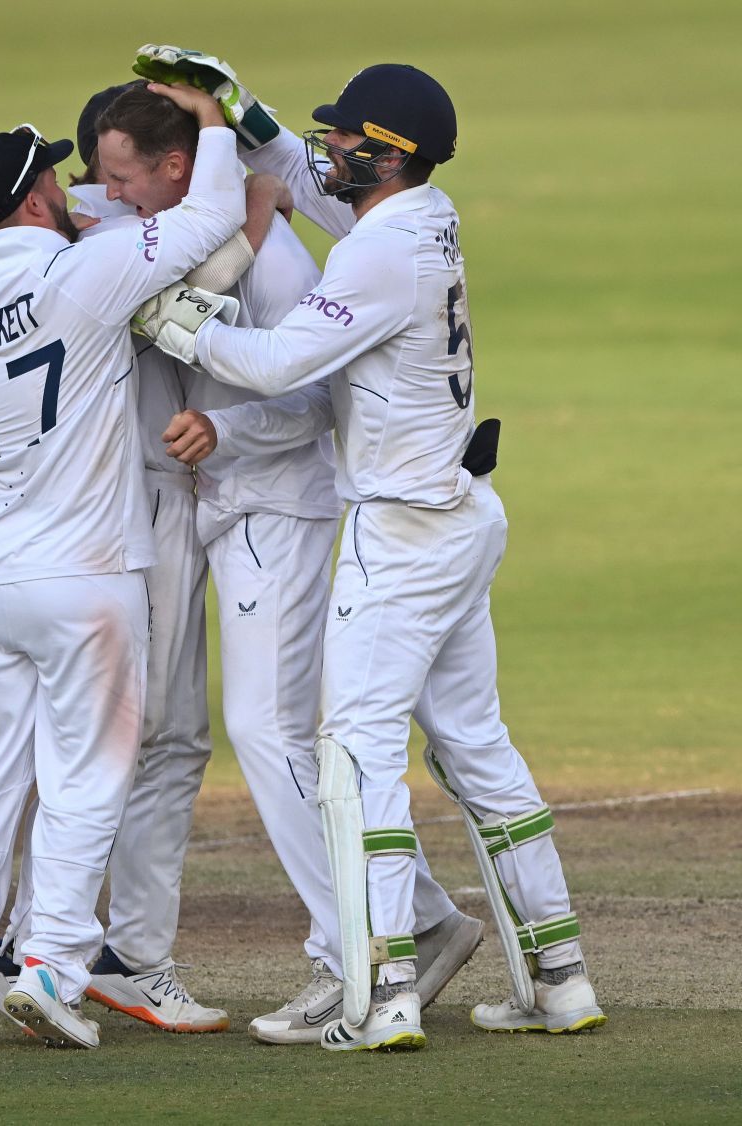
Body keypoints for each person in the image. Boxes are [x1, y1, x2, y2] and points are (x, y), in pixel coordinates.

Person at [132, 46, 606, 1051]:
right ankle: (559, 978)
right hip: (463, 518)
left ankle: (384, 989)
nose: (329, 144)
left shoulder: (381, 252)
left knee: (355, 754)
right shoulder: (417, 216)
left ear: (386, 157)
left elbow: (274, 363)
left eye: (347, 135)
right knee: (475, 748)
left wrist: (174, 321)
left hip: (403, 536)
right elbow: (306, 183)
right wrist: (237, 105)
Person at [95, 79, 486, 1045]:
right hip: (241, 513)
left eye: (121, 180)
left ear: (181, 168)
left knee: (269, 731)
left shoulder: (273, 250)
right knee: (276, 735)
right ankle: (420, 923)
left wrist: (222, 429)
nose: (112, 198)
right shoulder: (195, 231)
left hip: (286, 507)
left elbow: (305, 392)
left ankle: (350, 949)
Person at [0, 83, 244, 1052]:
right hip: (85, 570)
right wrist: (214, 128)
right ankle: (52, 964)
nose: (74, 183)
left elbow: (71, 235)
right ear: (29, 202)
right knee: (90, 776)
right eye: (55, 176)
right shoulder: (90, 275)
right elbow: (213, 215)